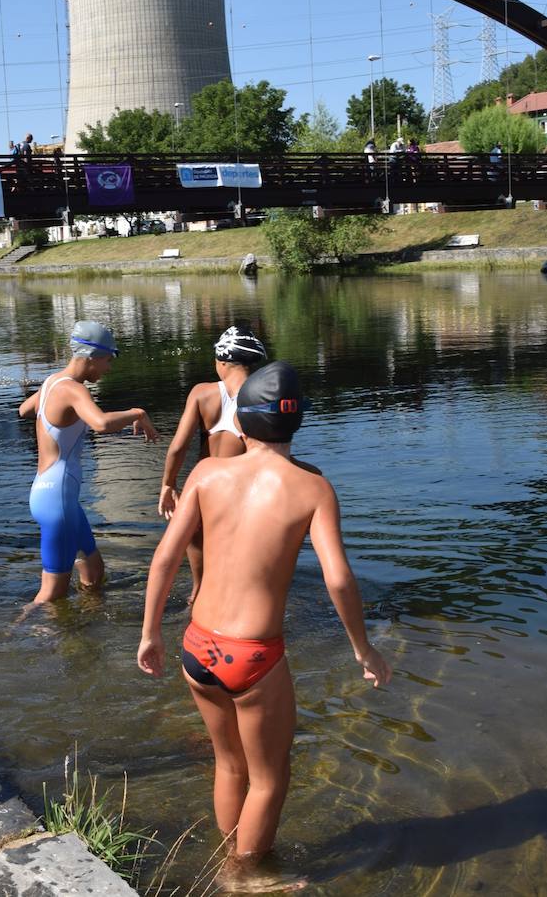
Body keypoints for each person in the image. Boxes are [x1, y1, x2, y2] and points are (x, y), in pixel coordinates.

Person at [137, 361, 392, 879]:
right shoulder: (313, 488)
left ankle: (226, 856)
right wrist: (363, 648)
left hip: (197, 647)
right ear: (296, 422)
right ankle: (243, 877)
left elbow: (164, 558)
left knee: (228, 764)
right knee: (270, 778)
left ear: (241, 422)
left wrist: (150, 633)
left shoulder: (207, 473)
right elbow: (338, 579)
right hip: (252, 658)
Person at [17, 321, 159, 604]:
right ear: (91, 357)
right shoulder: (72, 389)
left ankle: (88, 623)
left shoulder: (51, 383)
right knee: (51, 594)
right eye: (108, 360)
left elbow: (24, 410)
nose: (108, 368)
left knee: (94, 570)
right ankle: (12, 637)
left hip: (51, 495)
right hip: (57, 499)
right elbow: (101, 424)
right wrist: (136, 413)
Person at [158, 325, 268, 603]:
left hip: (202, 484)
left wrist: (168, 484)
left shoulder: (201, 393)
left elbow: (178, 447)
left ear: (220, 362)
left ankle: (197, 591)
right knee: (238, 572)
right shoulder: (260, 398)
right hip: (238, 490)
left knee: (196, 537)